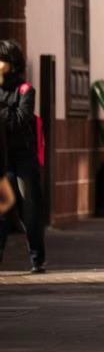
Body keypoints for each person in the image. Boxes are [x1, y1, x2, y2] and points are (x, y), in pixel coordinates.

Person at [0, 40, 46, 273]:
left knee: (29, 209)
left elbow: (20, 119)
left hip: (23, 157)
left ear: (12, 64)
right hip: (3, 157)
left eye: (2, 60)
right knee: (2, 209)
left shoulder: (25, 90)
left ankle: (37, 259)